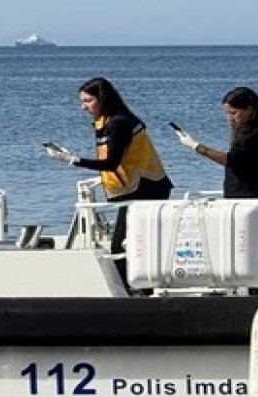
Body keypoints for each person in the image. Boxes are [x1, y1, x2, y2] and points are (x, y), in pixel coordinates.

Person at [44, 77, 173, 288]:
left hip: (147, 189)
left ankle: (130, 291)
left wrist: (72, 160)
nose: (83, 107)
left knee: (121, 246)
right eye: (82, 101)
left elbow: (111, 162)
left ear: (102, 99)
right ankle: (139, 288)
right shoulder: (106, 121)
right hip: (136, 189)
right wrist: (101, 177)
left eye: (88, 101)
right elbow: (119, 160)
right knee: (130, 243)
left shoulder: (120, 122)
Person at [171, 86, 258, 223]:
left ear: (250, 110)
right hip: (240, 202)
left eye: (234, 113)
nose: (230, 118)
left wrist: (196, 147)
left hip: (253, 203)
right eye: (227, 113)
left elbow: (232, 160)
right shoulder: (244, 133)